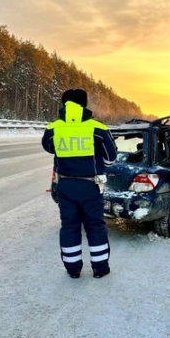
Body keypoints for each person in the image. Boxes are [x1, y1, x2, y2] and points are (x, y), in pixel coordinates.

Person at [42, 89, 117, 279]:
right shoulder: (98, 129)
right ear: (84, 105)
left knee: (69, 226)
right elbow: (111, 158)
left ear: (63, 104)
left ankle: (73, 269)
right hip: (91, 186)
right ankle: (100, 268)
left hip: (65, 185)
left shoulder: (53, 128)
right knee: (95, 225)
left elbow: (48, 147)